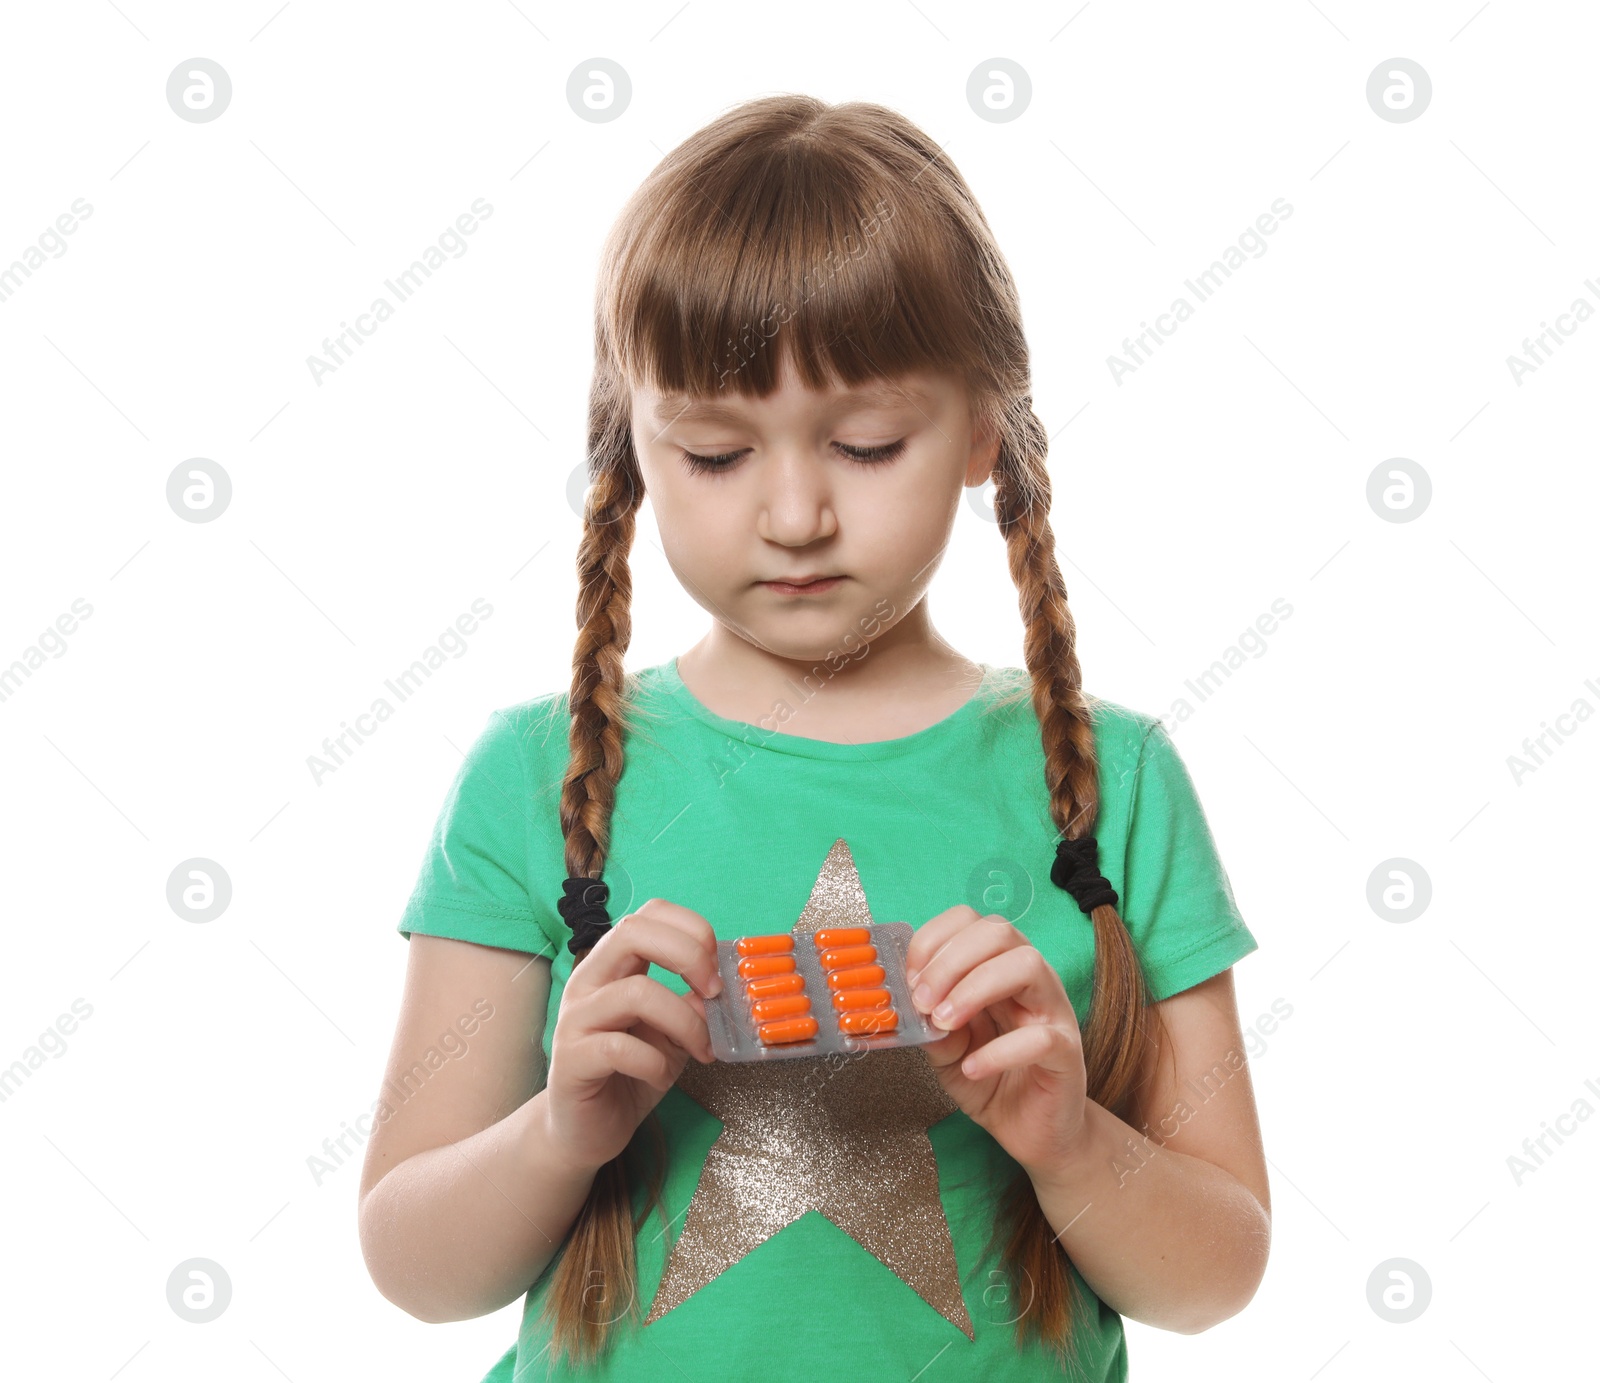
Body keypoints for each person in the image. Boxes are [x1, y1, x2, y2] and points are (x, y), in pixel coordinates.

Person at [358, 93, 1270, 1382]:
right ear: (635, 453)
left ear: (982, 433)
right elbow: (415, 1267)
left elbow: (1218, 1275)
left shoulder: (1114, 785)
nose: (794, 513)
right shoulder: (535, 776)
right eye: (718, 454)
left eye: (865, 443)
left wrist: (1069, 1141)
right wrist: (562, 1129)